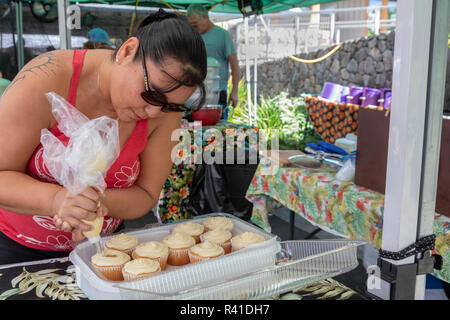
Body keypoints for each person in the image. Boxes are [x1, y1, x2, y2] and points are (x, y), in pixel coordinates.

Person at [0, 9, 206, 265]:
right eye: (152, 93)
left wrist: (91, 205)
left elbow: (146, 193)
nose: (154, 111)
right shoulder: (46, 78)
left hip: (108, 252)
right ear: (127, 51)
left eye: (171, 106)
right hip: (20, 251)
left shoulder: (164, 109)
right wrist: (55, 200)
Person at [187, 4, 240, 120]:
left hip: (217, 93)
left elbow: (235, 65)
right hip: (195, 93)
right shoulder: (193, 37)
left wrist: (235, 91)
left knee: (217, 131)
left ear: (205, 17)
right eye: (191, 26)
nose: (194, 28)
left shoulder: (223, 35)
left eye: (195, 24)